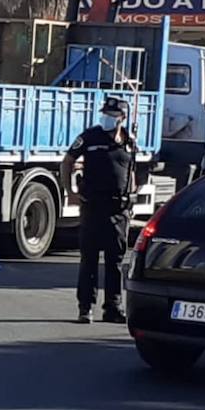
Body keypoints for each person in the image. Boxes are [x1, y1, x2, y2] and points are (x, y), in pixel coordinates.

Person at [61, 97, 136, 324]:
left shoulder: (129, 142)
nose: (107, 119)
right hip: (93, 206)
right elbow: (67, 161)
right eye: (105, 114)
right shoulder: (90, 136)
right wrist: (70, 191)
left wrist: (131, 200)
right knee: (89, 259)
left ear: (122, 119)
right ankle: (86, 307)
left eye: (112, 116)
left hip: (118, 209)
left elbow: (131, 171)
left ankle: (113, 307)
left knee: (115, 261)